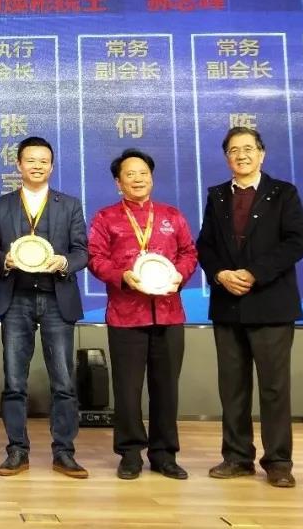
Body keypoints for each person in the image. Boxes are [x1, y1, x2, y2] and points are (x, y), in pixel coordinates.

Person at [196, 126, 303, 488]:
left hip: (271, 303)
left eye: (248, 148)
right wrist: (220, 274)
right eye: (233, 150)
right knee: (233, 387)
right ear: (226, 157)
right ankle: (236, 456)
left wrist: (254, 273)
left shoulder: (283, 193)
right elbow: (205, 245)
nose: (241, 155)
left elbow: (296, 242)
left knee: (274, 388)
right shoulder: (216, 195)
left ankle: (278, 461)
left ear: (262, 154)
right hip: (228, 304)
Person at [87, 148, 198, 480]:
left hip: (169, 313)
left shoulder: (171, 215)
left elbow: (189, 252)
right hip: (126, 315)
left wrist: (179, 275)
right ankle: (130, 453)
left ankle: (164, 453)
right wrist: (122, 276)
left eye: (143, 173)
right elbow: (95, 257)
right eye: (130, 174)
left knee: (166, 388)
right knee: (127, 388)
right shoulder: (105, 218)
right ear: (118, 182)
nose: (138, 179)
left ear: (152, 177)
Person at [0, 135, 89, 478]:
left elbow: (82, 251)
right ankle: (17, 450)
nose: (37, 166)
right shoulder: (1, 205)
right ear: (18, 164)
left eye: (44, 161)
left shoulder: (69, 204)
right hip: (15, 297)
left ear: (52, 166)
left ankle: (64, 452)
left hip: (57, 298)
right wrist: (4, 260)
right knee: (14, 381)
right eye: (30, 160)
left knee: (63, 381)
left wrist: (64, 262)